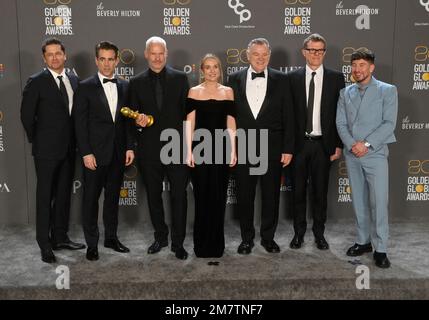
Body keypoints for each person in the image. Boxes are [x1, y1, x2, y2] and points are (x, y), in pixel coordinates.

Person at [20, 37, 85, 264]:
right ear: (44, 58)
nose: (55, 57)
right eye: (50, 54)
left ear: (65, 55)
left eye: (59, 53)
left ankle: (60, 237)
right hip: (46, 151)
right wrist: (39, 141)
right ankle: (44, 244)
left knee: (64, 194)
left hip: (69, 149)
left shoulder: (74, 80)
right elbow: (27, 116)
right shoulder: (36, 81)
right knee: (45, 196)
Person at [227, 38, 294, 254]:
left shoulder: (282, 79)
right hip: (244, 145)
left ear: (269, 56)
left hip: (272, 147)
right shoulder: (234, 79)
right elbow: (229, 117)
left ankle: (268, 238)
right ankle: (247, 239)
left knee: (271, 195)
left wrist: (288, 148)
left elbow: (289, 117)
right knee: (245, 196)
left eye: (264, 54)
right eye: (256, 54)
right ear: (248, 55)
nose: (260, 58)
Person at [128, 36, 190, 260]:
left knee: (179, 197)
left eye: (160, 53)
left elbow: (188, 116)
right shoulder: (135, 83)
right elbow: (131, 118)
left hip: (177, 147)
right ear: (146, 54)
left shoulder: (181, 79)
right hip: (149, 149)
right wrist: (137, 122)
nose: (157, 57)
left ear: (166, 53)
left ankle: (178, 242)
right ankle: (161, 237)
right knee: (154, 196)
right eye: (152, 53)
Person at [73, 41, 135, 261]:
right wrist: (86, 153)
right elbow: (79, 124)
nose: (107, 64)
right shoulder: (85, 86)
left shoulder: (126, 86)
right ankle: (92, 244)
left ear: (117, 60)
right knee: (90, 200)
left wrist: (129, 146)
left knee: (111, 199)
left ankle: (111, 237)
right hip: (94, 155)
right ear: (96, 60)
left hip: (118, 152)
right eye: (102, 59)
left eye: (111, 59)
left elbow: (127, 121)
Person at [336, 50, 398, 268]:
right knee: (359, 201)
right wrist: (353, 144)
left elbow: (389, 123)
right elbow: (341, 124)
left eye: (362, 65)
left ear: (371, 67)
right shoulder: (345, 93)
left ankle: (380, 248)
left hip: (375, 154)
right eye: (354, 65)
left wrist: (366, 144)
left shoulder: (387, 91)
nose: (357, 69)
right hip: (352, 154)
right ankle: (363, 241)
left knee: (378, 202)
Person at [285, 33, 345, 250]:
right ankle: (298, 234)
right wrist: (288, 147)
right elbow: (288, 116)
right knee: (298, 192)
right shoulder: (292, 78)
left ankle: (319, 234)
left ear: (324, 53)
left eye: (320, 50)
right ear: (304, 52)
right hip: (299, 146)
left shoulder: (336, 78)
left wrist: (338, 144)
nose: (316, 54)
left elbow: (341, 114)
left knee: (320, 193)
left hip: (323, 145)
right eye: (312, 50)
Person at [185, 54, 237, 258]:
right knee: (202, 197)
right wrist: (187, 150)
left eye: (215, 67)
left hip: (222, 150)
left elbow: (231, 123)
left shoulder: (228, 92)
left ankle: (217, 245)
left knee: (218, 197)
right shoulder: (194, 92)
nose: (212, 70)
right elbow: (189, 124)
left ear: (220, 70)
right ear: (202, 70)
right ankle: (201, 246)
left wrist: (234, 149)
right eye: (208, 67)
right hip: (200, 150)